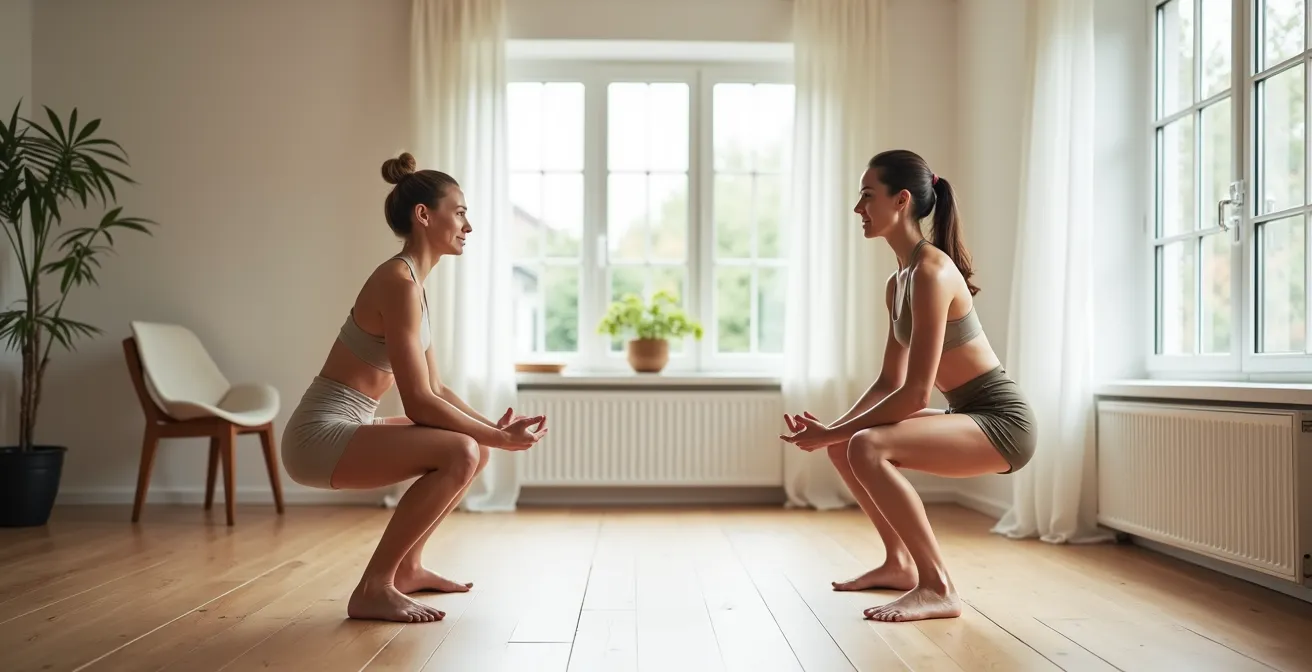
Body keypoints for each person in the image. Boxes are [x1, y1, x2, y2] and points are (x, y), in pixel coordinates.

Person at [280, 152, 548, 624]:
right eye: (460, 211)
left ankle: (408, 569)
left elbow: (437, 388)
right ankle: (372, 588)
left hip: (346, 429)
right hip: (317, 440)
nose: (468, 224)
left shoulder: (412, 285)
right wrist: (496, 437)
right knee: (464, 451)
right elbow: (419, 403)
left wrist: (493, 432)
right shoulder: (397, 283)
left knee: (474, 450)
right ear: (424, 215)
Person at [779, 149, 1036, 623]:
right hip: (967, 414)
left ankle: (938, 587)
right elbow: (887, 382)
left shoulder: (932, 271)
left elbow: (915, 395)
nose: (858, 208)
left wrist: (831, 434)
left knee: (864, 446)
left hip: (1002, 423)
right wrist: (832, 432)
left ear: (900, 201)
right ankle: (899, 564)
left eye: (866, 196)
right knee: (847, 447)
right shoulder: (899, 282)